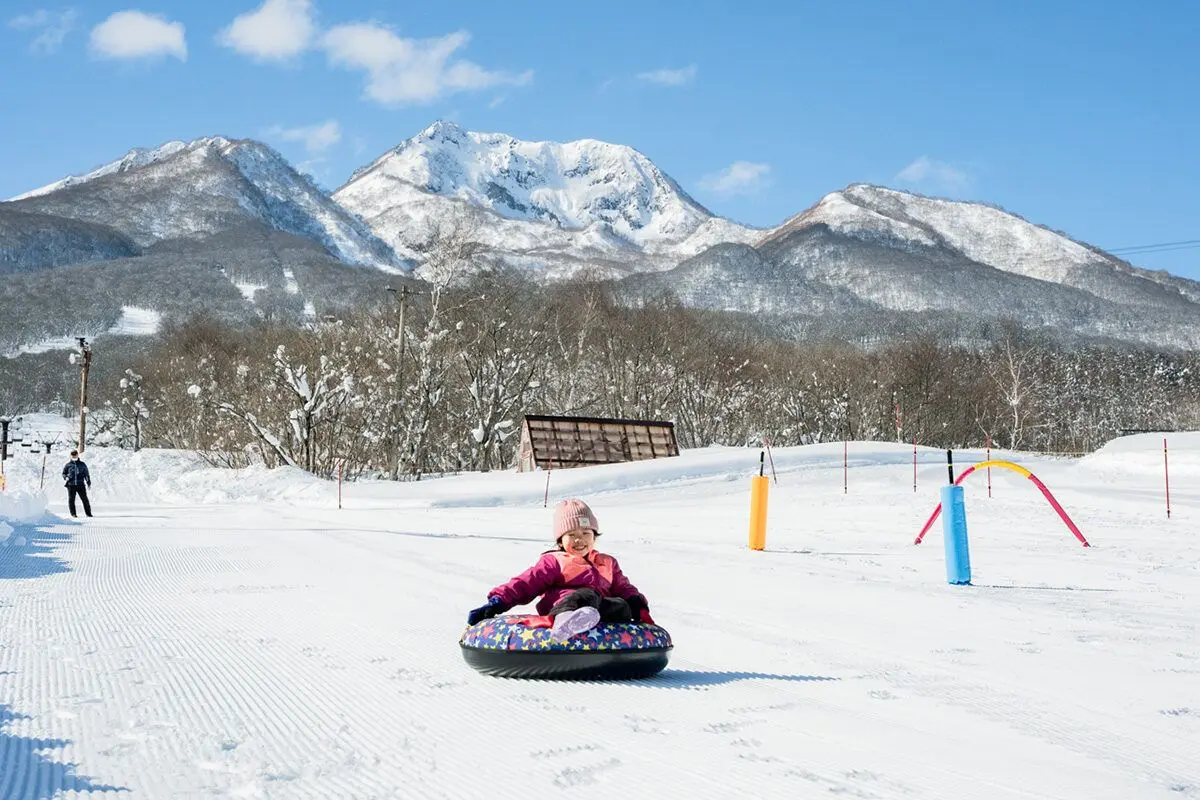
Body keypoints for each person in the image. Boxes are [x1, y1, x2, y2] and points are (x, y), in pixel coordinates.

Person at [466, 498, 655, 641]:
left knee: (621, 605)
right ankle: (566, 622)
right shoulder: (555, 561)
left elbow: (625, 588)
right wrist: (498, 602)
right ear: (560, 540)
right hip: (563, 606)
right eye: (571, 535)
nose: (579, 540)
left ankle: (586, 619)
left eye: (585, 534)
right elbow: (526, 583)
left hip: (598, 609)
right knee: (588, 594)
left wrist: (638, 606)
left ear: (594, 536)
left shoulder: (607, 563)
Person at [62, 450, 92, 518]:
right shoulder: (68, 465)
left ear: (77, 455)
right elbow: (64, 473)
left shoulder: (82, 464)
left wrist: (88, 482)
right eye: (73, 455)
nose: (74, 456)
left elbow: (86, 474)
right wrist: (65, 477)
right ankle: (73, 514)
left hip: (80, 484)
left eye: (75, 455)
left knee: (84, 499)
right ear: (70, 456)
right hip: (71, 485)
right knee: (71, 500)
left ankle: (88, 513)